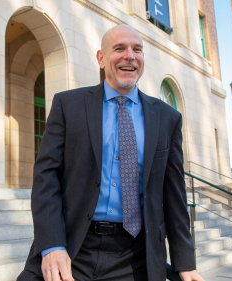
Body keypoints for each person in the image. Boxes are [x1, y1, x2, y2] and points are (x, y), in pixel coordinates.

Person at [17, 24, 204, 281]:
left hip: (136, 258)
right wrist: (52, 246)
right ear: (101, 58)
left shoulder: (167, 118)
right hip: (73, 248)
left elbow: (174, 196)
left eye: (137, 49)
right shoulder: (68, 105)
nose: (130, 56)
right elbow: (46, 178)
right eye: (120, 48)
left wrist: (185, 263)